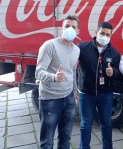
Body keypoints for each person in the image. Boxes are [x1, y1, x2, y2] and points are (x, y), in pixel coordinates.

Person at [35, 15, 80, 149]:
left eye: (73, 27)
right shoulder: (50, 45)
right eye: (67, 26)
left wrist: (75, 92)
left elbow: (72, 72)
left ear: (78, 31)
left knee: (65, 138)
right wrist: (54, 77)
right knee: (47, 141)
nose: (70, 29)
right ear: (62, 28)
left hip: (69, 99)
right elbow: (38, 72)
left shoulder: (76, 50)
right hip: (50, 99)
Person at [77, 21, 122, 149]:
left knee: (107, 123)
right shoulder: (82, 47)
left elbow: (119, 73)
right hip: (86, 94)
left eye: (108, 34)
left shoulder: (114, 53)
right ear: (96, 33)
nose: (105, 36)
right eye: (102, 33)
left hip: (105, 94)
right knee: (86, 124)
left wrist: (113, 72)